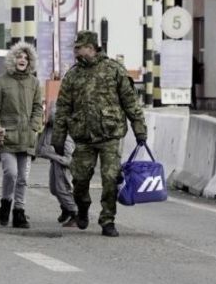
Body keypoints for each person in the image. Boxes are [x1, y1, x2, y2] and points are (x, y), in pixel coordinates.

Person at [52, 30, 147, 238]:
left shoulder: (114, 70)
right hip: (83, 137)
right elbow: (63, 108)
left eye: (79, 47)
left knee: (110, 178)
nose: (76, 51)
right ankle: (83, 208)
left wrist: (139, 128)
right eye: (75, 47)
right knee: (79, 180)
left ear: (92, 48)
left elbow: (130, 102)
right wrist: (58, 137)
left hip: (109, 135)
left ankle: (107, 220)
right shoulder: (73, 75)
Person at [0, 42, 42, 229]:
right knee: (10, 173)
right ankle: (5, 203)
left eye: (26, 58)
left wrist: (34, 126)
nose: (22, 60)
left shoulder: (34, 82)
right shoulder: (0, 81)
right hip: (7, 136)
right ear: (13, 59)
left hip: (27, 137)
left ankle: (19, 211)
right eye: (19, 57)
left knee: (23, 178)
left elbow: (38, 107)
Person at [37, 100, 77, 227]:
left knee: (62, 188)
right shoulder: (50, 127)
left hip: (61, 162)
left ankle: (75, 213)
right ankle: (66, 208)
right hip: (55, 160)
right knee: (54, 189)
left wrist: (52, 155)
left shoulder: (66, 134)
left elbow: (69, 160)